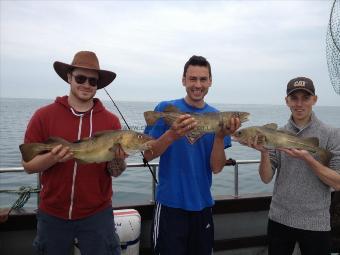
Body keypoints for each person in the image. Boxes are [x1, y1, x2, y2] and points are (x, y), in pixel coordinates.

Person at [22, 51, 125, 255]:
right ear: (69, 77)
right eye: (80, 78)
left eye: (93, 81)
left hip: (97, 214)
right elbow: (28, 166)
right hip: (52, 213)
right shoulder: (43, 116)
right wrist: (52, 158)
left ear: (98, 85)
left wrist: (118, 162)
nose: (86, 85)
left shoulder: (111, 122)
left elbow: (114, 172)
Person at [143, 55, 241, 255]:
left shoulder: (218, 117)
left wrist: (221, 138)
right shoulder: (165, 109)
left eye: (203, 79)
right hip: (170, 206)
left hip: (203, 206)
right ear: (183, 80)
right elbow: (147, 155)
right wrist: (172, 134)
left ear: (210, 81)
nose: (198, 85)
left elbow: (216, 168)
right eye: (193, 79)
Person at [244, 77, 340, 255]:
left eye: (305, 98)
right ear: (286, 101)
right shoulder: (275, 134)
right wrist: (264, 152)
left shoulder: (332, 134)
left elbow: (338, 183)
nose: (299, 103)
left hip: (316, 222)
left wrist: (309, 159)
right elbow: (266, 178)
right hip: (279, 219)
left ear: (315, 100)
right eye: (294, 98)